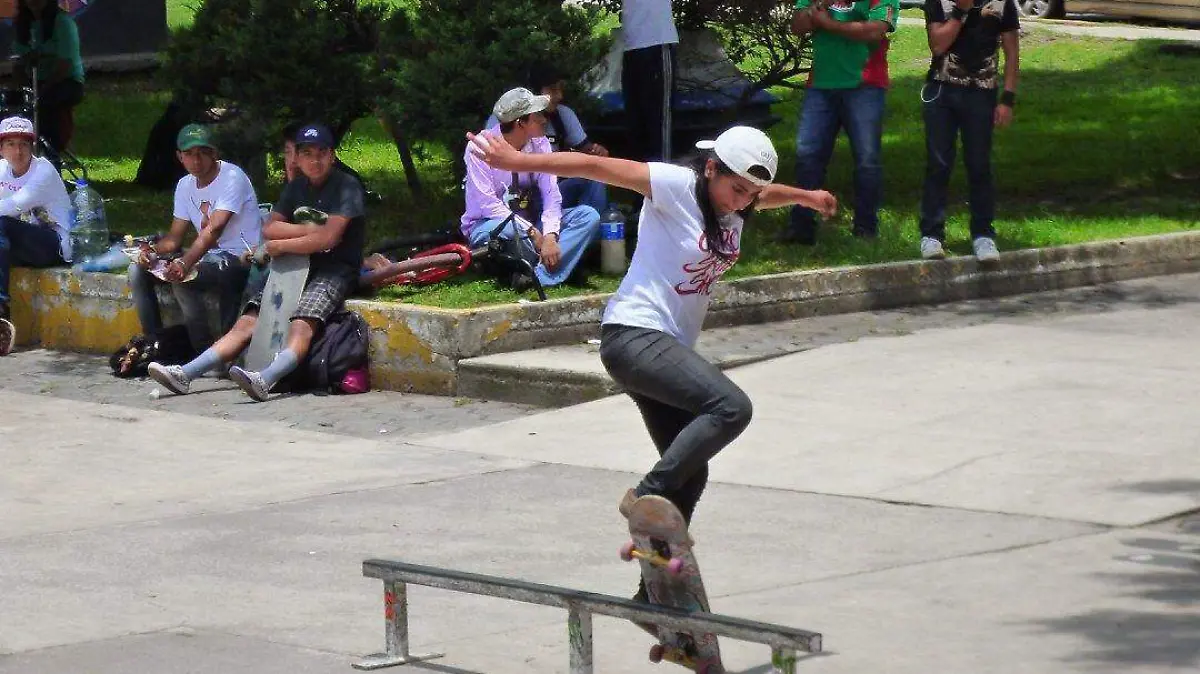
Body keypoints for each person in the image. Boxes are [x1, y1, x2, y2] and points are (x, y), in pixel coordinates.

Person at [465, 124, 836, 600]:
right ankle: (645, 492)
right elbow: (596, 166)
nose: (740, 202)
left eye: (749, 195)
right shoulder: (674, 186)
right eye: (735, 189)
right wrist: (517, 164)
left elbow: (767, 195)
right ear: (710, 169)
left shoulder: (737, 203)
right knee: (730, 408)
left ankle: (653, 591)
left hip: (660, 348)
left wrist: (806, 196)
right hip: (634, 335)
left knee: (692, 470)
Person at [146, 123, 366, 402]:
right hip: (292, 267)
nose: (315, 160)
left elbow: (329, 240)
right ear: (297, 158)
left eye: (322, 152)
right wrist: (311, 231)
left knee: (302, 324)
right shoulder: (296, 187)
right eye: (307, 153)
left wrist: (281, 245)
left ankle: (267, 378)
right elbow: (271, 229)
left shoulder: (347, 186)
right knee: (247, 322)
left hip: (333, 271)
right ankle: (186, 374)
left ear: (332, 156)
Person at [128, 123, 262, 352]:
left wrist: (184, 262)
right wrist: (149, 251)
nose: (196, 160)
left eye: (202, 153)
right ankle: (153, 342)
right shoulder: (184, 185)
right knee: (137, 270)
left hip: (240, 257)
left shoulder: (232, 176)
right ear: (179, 157)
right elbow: (174, 239)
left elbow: (214, 229)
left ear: (214, 154)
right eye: (189, 154)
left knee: (185, 278)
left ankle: (204, 351)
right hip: (209, 256)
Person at [783, 0, 900, 245]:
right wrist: (819, 5)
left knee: (867, 160)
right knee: (808, 157)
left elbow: (874, 30)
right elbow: (797, 26)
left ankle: (865, 228)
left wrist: (828, 23)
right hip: (821, 83)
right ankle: (801, 227)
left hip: (865, 84)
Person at [462, 87, 600, 289]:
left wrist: (551, 235)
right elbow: (488, 205)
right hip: (493, 225)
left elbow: (552, 194)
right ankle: (560, 264)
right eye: (537, 116)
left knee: (588, 216)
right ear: (521, 123)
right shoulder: (480, 147)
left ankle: (537, 275)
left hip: (534, 224)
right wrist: (534, 232)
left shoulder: (541, 143)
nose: (544, 120)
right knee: (506, 232)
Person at [918, 0, 1020, 262]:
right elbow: (938, 44)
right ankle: (932, 234)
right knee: (938, 163)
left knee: (979, 164)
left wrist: (1007, 98)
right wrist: (961, 11)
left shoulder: (1001, 3)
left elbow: (1012, 50)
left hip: (982, 93)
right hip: (942, 89)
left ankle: (983, 235)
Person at [486, 64, 610, 215]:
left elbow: (587, 150)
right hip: (514, 195)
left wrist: (597, 153)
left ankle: (596, 229)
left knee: (595, 177)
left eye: (560, 88)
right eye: (552, 89)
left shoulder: (562, 117)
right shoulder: (502, 120)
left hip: (552, 189)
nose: (559, 96)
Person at [0, 116, 72, 356]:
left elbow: (14, 206)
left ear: (32, 147)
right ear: (1, 149)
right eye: (10, 144)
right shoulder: (2, 169)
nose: (17, 151)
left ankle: (1, 312)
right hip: (18, 242)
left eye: (23, 144)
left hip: (52, 245)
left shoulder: (44, 171)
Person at [11, 0, 85, 159]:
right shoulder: (23, 24)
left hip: (66, 81)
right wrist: (22, 88)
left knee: (44, 107)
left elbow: (65, 65)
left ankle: (51, 157)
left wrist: (40, 92)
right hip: (35, 83)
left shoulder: (63, 22)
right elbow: (18, 62)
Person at [621, 0, 678, 163]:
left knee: (658, 122)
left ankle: (663, 178)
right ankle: (638, 182)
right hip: (632, 46)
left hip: (657, 42)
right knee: (635, 122)